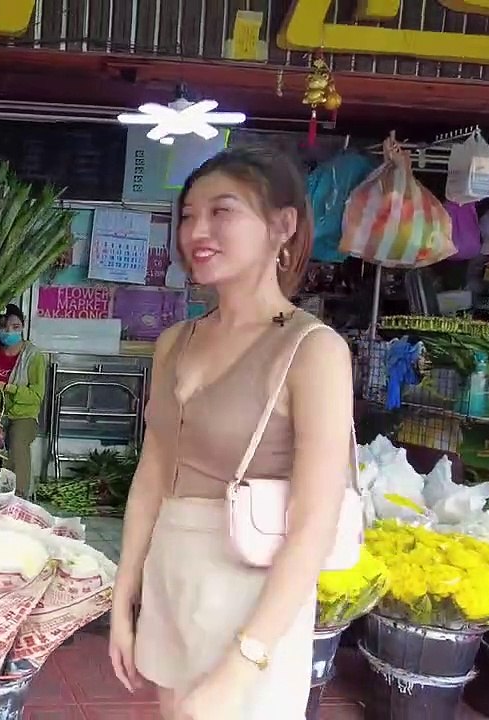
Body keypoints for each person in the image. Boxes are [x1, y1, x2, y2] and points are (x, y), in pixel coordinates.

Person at [107, 146, 354, 719]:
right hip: (174, 578)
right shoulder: (176, 341)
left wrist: (243, 664)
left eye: (223, 211)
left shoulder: (312, 350)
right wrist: (124, 597)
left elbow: (314, 525)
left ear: (282, 226)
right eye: (189, 215)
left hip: (253, 602)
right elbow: (153, 474)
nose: (198, 231)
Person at [0, 304, 46, 496]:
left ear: (23, 326)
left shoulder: (33, 356)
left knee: (16, 442)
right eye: (4, 327)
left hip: (24, 415)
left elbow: (36, 396)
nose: (9, 332)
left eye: (15, 327)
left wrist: (7, 387)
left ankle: (19, 494)